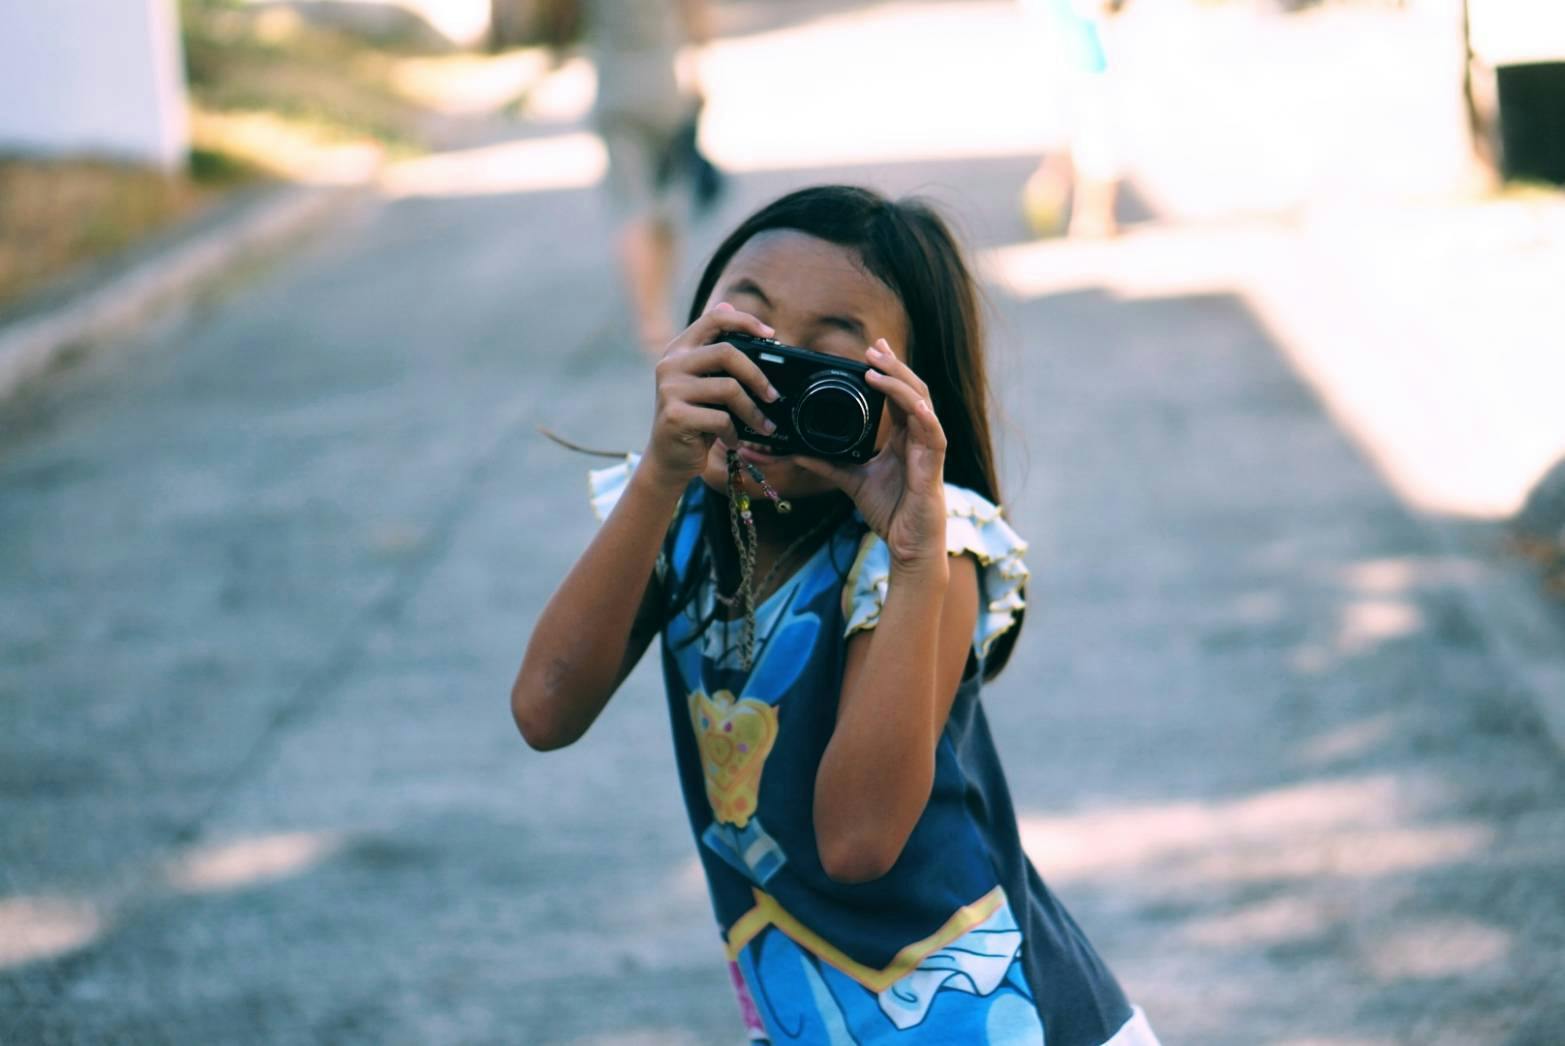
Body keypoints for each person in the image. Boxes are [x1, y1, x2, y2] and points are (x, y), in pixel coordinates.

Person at [511, 186, 1161, 1045]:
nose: (767, 387)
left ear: (902, 400)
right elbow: (546, 710)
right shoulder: (677, 515)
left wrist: (916, 557)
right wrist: (661, 472)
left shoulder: (928, 552)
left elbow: (856, 844)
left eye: (821, 365)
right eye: (746, 339)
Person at [581, 0, 723, 354]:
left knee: (631, 210)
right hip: (666, 90)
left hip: (615, 93)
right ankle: (662, 309)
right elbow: (699, 19)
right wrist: (698, 72)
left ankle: (650, 322)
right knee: (670, 205)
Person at [1020, 0, 1126, 238]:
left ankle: (1044, 195)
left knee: (1072, 136)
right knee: (1099, 141)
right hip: (1087, 59)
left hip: (1056, 55)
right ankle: (1095, 218)